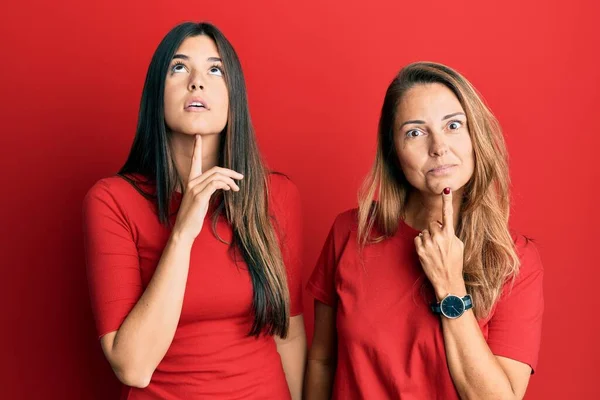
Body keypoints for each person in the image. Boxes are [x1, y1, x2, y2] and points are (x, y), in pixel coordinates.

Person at [83, 22, 306, 399]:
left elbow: (289, 334)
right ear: (158, 93)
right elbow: (132, 367)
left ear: (233, 96)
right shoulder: (112, 201)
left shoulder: (276, 196)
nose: (197, 82)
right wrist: (184, 230)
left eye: (215, 70)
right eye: (179, 67)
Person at [305, 62, 544, 399]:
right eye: (415, 132)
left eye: (453, 125)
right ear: (394, 153)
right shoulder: (350, 232)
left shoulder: (514, 260)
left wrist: (450, 287)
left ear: (476, 136)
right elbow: (322, 359)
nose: (438, 146)